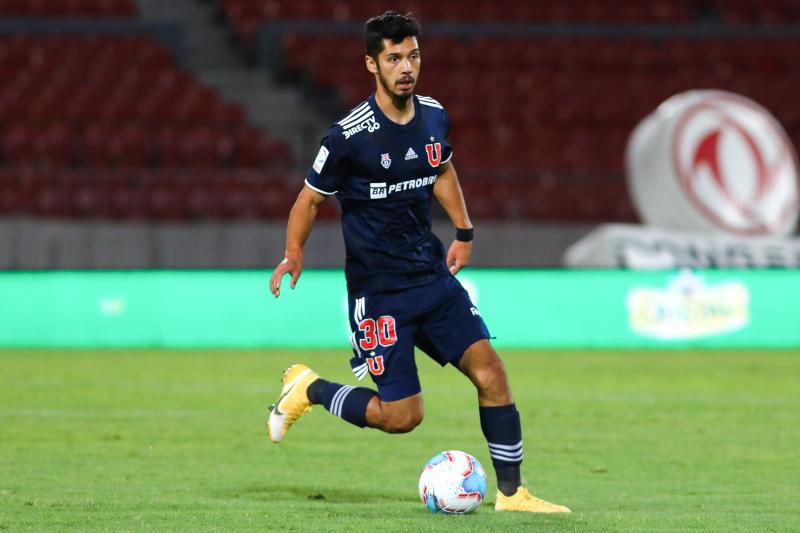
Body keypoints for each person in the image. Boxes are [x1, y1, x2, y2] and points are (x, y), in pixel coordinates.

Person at [267, 11, 570, 513]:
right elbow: (308, 200)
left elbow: (442, 170)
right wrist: (293, 253)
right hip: (379, 293)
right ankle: (310, 387)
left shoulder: (433, 115)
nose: (405, 67)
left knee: (492, 374)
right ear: (372, 64)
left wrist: (465, 231)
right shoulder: (348, 137)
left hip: (431, 278)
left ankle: (513, 494)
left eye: (412, 56)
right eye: (393, 58)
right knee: (402, 416)